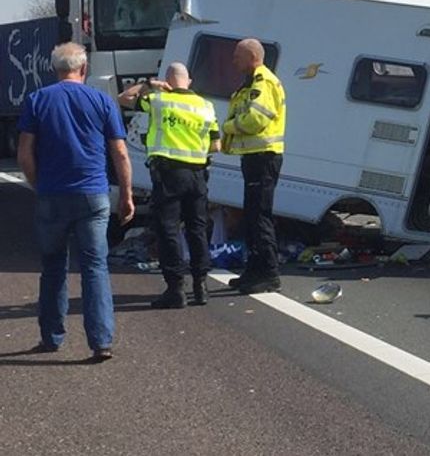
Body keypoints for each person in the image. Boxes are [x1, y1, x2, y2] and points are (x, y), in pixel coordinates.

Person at [16, 42, 135, 362]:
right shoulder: (102, 101)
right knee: (95, 266)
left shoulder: (37, 100)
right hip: (93, 195)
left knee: (53, 266)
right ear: (84, 69)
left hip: (52, 194)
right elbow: (120, 152)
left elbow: (25, 151)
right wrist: (126, 194)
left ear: (55, 69)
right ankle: (101, 341)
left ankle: (52, 336)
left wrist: (37, 183)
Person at [118, 63, 219, 308]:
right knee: (197, 228)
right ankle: (201, 285)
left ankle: (176, 289)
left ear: (168, 81)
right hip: (198, 174)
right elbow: (216, 146)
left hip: (169, 173)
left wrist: (150, 84)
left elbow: (124, 98)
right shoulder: (206, 107)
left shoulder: (158, 101)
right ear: (190, 81)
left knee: (169, 229)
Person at [221, 38, 286, 294]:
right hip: (254, 157)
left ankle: (269, 273)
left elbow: (256, 119)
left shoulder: (264, 83)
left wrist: (227, 127)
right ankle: (253, 270)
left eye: (238, 56)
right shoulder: (250, 83)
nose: (233, 60)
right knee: (251, 216)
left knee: (260, 216)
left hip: (264, 157)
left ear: (252, 57)